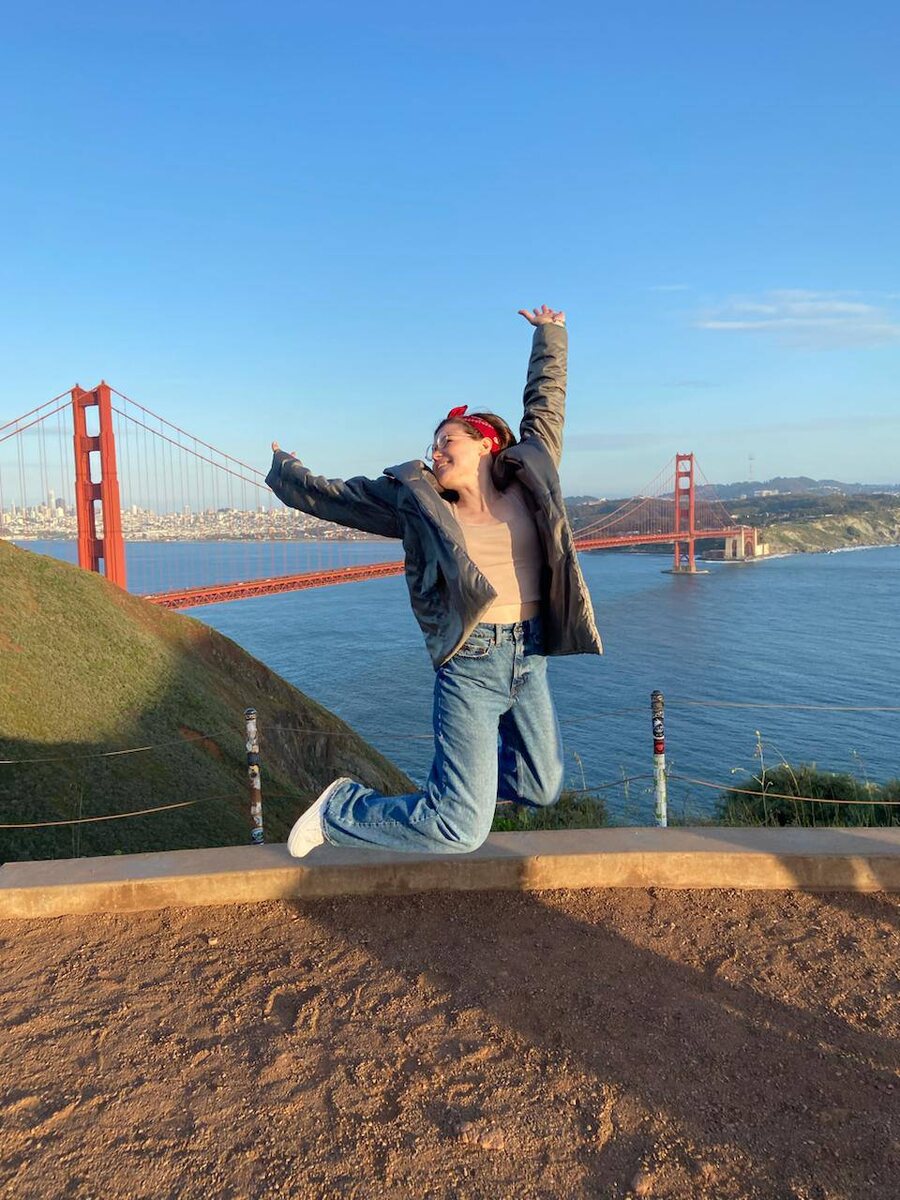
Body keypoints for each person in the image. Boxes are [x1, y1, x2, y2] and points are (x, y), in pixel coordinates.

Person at [266, 304, 602, 857]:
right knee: (460, 830)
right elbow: (339, 499)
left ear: (486, 443)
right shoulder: (418, 504)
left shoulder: (531, 475)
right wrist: (286, 471)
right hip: (471, 661)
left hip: (530, 654)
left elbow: (546, 403)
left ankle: (462, 790)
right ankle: (342, 809)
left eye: (448, 440)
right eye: (433, 445)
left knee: (542, 786)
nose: (436, 451)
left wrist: (551, 334)